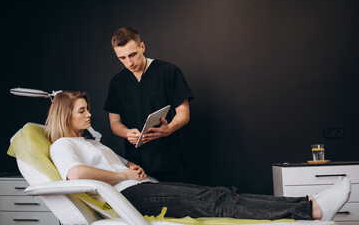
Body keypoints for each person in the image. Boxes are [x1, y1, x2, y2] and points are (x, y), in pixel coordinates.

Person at [47, 91, 351, 221]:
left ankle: (310, 206)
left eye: (87, 108)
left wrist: (129, 165)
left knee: (221, 194)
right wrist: (124, 175)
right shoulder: (62, 145)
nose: (89, 114)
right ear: (65, 114)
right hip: (130, 198)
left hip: (140, 187)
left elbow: (108, 164)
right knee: (216, 201)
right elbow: (75, 175)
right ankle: (311, 209)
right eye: (82, 111)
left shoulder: (88, 141)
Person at [103, 27, 194, 182]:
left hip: (170, 160)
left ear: (142, 47)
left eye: (132, 55)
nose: (129, 62)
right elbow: (114, 123)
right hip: (136, 166)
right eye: (122, 58)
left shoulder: (169, 72)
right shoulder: (117, 83)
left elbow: (184, 112)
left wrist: (169, 128)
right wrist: (127, 132)